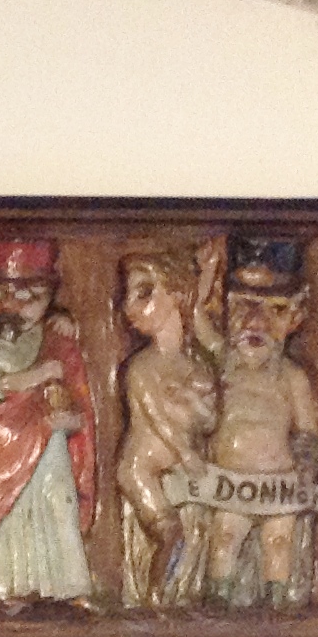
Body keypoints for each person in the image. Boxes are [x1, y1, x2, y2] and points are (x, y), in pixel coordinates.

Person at [0, 239, 97, 609]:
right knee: (6, 512)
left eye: (29, 297)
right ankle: (7, 587)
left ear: (48, 298)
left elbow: (79, 401)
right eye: (1, 295)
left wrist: (71, 419)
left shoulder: (59, 343)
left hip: (50, 440)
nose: (14, 306)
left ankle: (67, 584)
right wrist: (41, 375)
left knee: (57, 501)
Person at [197, 233, 318, 610]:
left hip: (278, 485)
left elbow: (307, 430)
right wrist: (207, 272)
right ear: (226, 310)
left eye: (275, 310)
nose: (256, 322)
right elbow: (196, 317)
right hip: (228, 482)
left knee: (279, 542)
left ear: (296, 317)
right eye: (244, 306)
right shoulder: (225, 360)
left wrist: (307, 468)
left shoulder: (291, 377)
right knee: (224, 537)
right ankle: (217, 600)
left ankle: (277, 605)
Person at [114, 247, 219, 606]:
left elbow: (210, 421)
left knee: (199, 533)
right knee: (170, 533)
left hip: (184, 478)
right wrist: (185, 452)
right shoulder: (141, 367)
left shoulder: (197, 367)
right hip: (141, 469)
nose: (128, 307)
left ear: (176, 295)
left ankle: (183, 595)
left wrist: (194, 402)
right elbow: (156, 418)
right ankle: (154, 598)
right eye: (128, 295)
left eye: (144, 293)